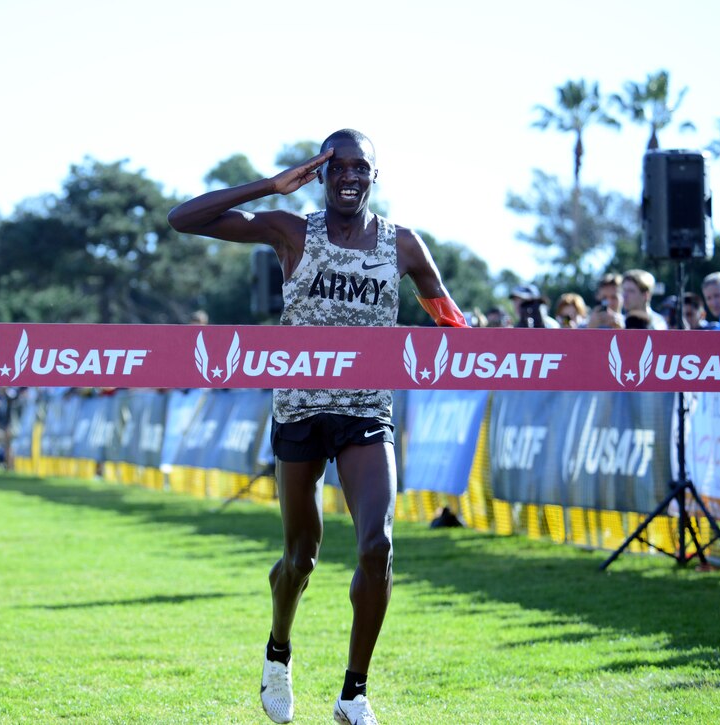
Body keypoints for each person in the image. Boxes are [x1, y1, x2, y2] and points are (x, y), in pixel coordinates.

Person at [168, 129, 467, 724]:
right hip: (300, 410)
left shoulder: (404, 245)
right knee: (301, 559)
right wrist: (274, 184)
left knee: (378, 545)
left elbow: (450, 321)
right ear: (322, 173)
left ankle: (353, 693)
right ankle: (278, 649)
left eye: (361, 168)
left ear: (375, 177)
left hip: (365, 414)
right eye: (339, 167)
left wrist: (465, 334)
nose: (350, 177)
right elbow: (184, 219)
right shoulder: (290, 230)